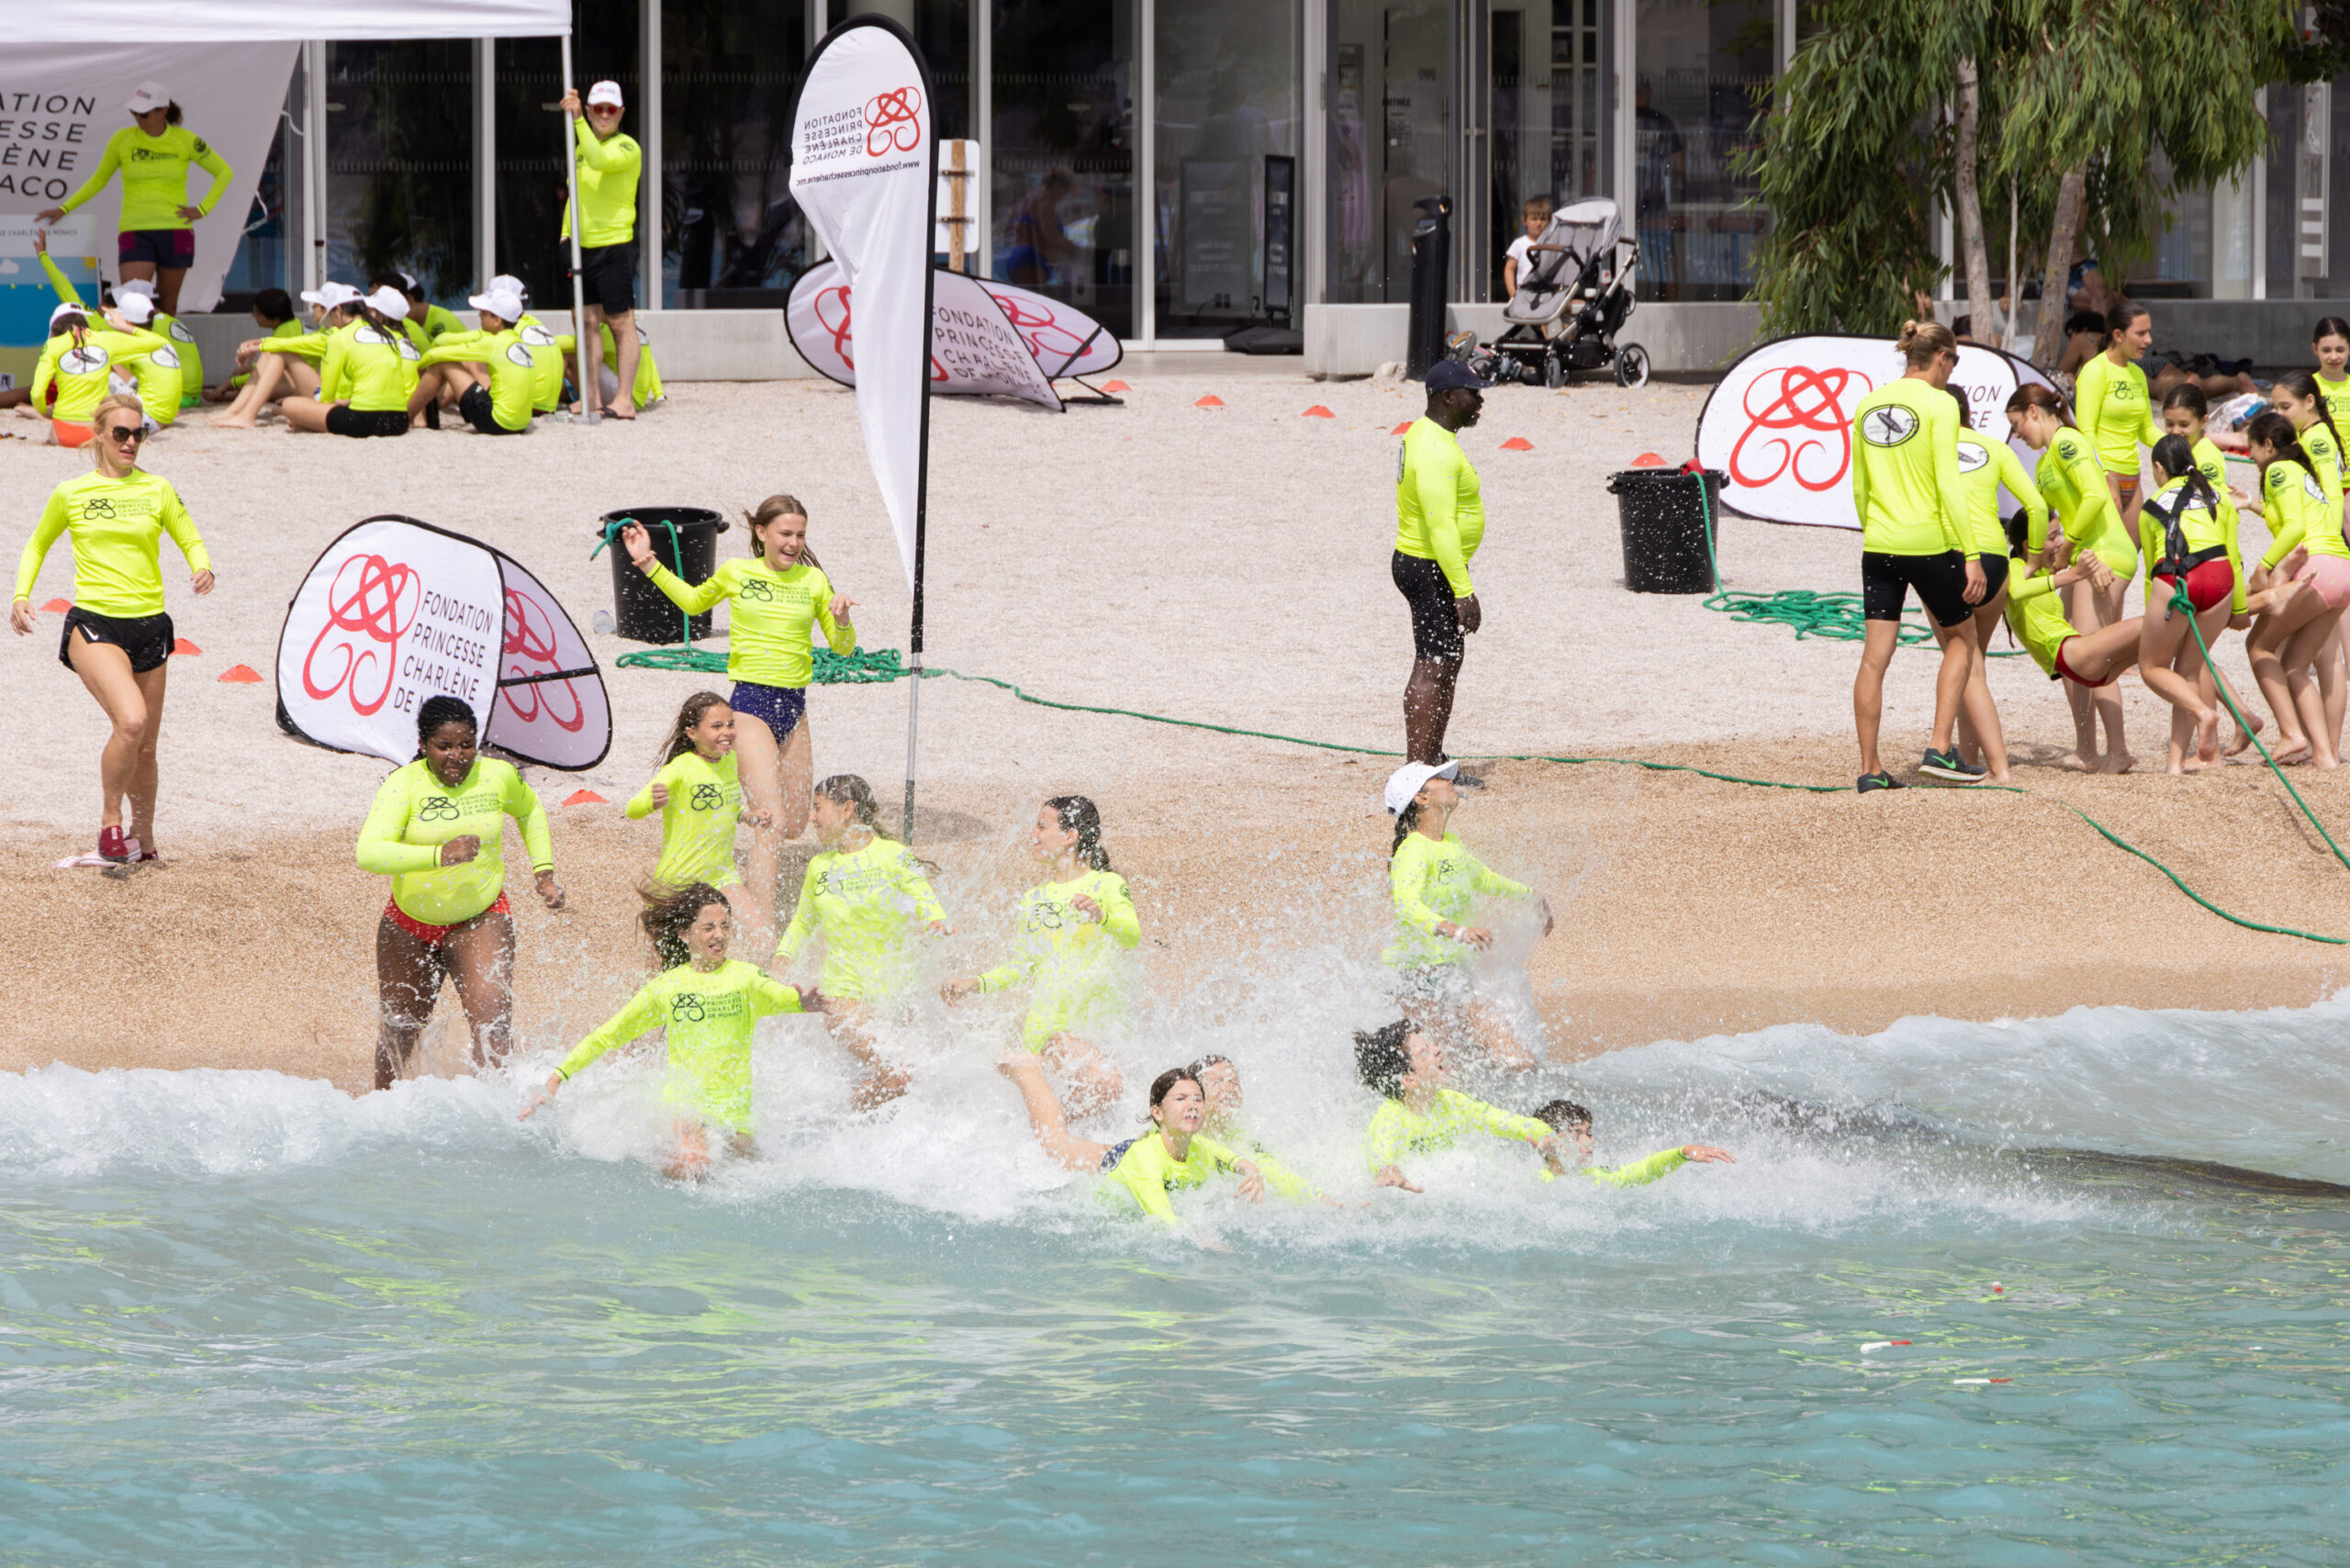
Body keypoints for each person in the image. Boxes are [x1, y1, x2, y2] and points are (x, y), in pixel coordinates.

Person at [621, 496, 857, 913]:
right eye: (785, 534)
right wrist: (647, 564)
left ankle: (728, 876)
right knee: (772, 824)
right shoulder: (737, 572)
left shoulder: (813, 581)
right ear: (762, 533)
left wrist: (842, 621)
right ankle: (758, 931)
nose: (793, 542)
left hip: (794, 708)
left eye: (800, 535)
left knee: (798, 823)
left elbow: (842, 649)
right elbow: (694, 602)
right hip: (751, 705)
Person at [9, 393, 212, 864]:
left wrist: (203, 567)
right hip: (95, 623)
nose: (130, 442)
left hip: (151, 624)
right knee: (131, 720)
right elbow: (37, 545)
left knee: (146, 745)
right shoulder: (72, 492)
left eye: (137, 433)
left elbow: (189, 535)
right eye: (120, 433)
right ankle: (110, 825)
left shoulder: (157, 488)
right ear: (99, 435)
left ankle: (144, 839)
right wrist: (22, 594)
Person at [521, 882, 818, 1182]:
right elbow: (610, 1034)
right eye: (709, 927)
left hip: (736, 1115)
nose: (719, 935)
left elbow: (783, 997)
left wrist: (804, 1002)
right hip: (687, 1107)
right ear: (685, 934)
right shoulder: (667, 987)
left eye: (725, 926)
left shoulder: (747, 979)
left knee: (751, 1174)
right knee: (694, 1164)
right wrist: (559, 1076)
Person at [357, 696, 565, 1092]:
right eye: (444, 746)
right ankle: (382, 1118)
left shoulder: (498, 776)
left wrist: (543, 871)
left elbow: (530, 810)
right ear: (423, 745)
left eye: (466, 745)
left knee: (494, 1027)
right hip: (409, 925)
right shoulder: (404, 784)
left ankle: (498, 1121)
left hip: (481, 918)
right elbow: (369, 853)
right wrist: (440, 854)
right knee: (399, 1033)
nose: (457, 756)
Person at [1849, 318, 1987, 791]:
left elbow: (1860, 488)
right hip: (1927, 544)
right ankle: (1939, 748)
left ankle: (1870, 770)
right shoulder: (1941, 403)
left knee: (1873, 659)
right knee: (1961, 641)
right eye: (1955, 361)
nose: (1953, 371)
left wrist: (1879, 534)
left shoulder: (1868, 404)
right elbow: (1949, 483)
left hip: (1879, 545)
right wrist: (1971, 554)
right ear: (1943, 357)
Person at [945, 796, 1137, 1115]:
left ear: (1070, 836)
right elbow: (1022, 966)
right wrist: (973, 984)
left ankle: (1044, 1127)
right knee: (1105, 1083)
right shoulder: (1034, 898)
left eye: (1041, 826)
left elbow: (1132, 934)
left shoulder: (1107, 884)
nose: (1032, 835)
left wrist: (1101, 916)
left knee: (1100, 1111)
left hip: (1104, 1026)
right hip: (1053, 1024)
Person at [772, 774, 948, 1111]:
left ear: (848, 809)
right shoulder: (819, 867)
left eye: (818, 808)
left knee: (905, 1085)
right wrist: (781, 959)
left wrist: (935, 920)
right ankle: (852, 1116)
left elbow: (923, 896)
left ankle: (853, 1116)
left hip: (896, 994)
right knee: (899, 1071)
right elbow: (802, 922)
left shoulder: (893, 855)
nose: (811, 818)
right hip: (842, 994)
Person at [1001, 1064, 1314, 1248]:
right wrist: (1200, 1239)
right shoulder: (1144, 1160)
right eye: (1180, 1099)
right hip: (1121, 1158)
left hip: (1156, 1145)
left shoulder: (1200, 1144)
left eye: (1197, 1099)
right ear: (1157, 1112)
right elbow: (1161, 1215)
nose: (1192, 1105)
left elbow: (1233, 1159)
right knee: (1054, 1141)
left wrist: (1251, 1172)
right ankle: (1025, 1071)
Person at [1382, 759, 1550, 1070]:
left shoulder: (1451, 844)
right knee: (1493, 1059)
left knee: (1472, 1062)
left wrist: (1531, 897)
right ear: (1422, 798)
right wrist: (1454, 930)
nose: (1450, 782)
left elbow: (1483, 879)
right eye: (1439, 780)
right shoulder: (1413, 849)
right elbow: (1406, 905)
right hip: (1419, 972)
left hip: (1450, 969)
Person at [2011, 382, 2137, 772]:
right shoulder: (2046, 459)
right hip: (2085, 553)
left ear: (2034, 411)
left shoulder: (2068, 442)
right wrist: (2037, 560)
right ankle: (2087, 747)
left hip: (2102, 553)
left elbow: (2095, 497)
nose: (2017, 434)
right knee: (2073, 657)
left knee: (2096, 656)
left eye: (2018, 425)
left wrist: (2068, 548)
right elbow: (2047, 517)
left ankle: (2117, 751)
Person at [36, 84, 231, 319]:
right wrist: (64, 208)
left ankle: (164, 355)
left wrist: (202, 209)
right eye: (134, 113)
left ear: (163, 111)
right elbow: (98, 180)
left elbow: (223, 172)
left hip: (175, 231)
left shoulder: (185, 140)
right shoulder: (122, 139)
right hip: (135, 230)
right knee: (132, 304)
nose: (138, 118)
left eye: (144, 114)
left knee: (168, 308)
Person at [1394, 359, 1495, 767]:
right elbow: (1441, 527)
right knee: (1434, 663)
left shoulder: (1424, 433)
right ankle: (1419, 774)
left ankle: (1431, 761)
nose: (1481, 399)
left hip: (1430, 564)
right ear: (1449, 397)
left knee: (1446, 659)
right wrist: (1464, 591)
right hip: (1428, 565)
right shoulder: (1434, 450)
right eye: (1474, 392)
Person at [2244, 411, 2349, 767]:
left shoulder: (2277, 471)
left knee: (2258, 646)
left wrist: (2264, 567)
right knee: (2294, 665)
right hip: (2341, 570)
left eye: (2252, 449)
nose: (2251, 456)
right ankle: (2324, 756)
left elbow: (2293, 528)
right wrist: (2251, 505)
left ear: (2268, 445)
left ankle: (2291, 733)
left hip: (2316, 568)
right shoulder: (2301, 471)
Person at [1354, 1020, 1563, 1193]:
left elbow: (1510, 1122)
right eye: (1424, 1052)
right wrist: (1388, 1170)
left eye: (1431, 1045)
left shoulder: (1451, 1102)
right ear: (1409, 1079)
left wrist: (1547, 1136)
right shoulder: (1391, 1117)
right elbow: (1380, 1150)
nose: (1437, 1050)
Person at [1947, 386, 2036, 783]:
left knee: (1968, 666)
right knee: (1971, 665)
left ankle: (2000, 769)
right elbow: (2034, 505)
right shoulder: (1994, 447)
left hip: (1954, 558)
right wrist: (2032, 561)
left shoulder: (1929, 450)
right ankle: (1970, 759)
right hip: (1997, 561)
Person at [2135, 435, 2238, 770]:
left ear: (2159, 468)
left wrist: (2156, 621)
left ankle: (2203, 713)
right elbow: (2233, 555)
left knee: (2152, 668)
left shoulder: (2151, 504)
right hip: (2221, 577)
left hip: (2179, 579)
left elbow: (2154, 570)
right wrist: (2237, 610)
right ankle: (2174, 763)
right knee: (2189, 670)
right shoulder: (2217, 496)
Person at [556, 80, 644, 420]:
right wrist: (565, 233)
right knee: (586, 321)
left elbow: (598, 160)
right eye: (598, 109)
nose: (604, 115)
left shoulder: (627, 147)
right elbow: (574, 192)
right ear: (592, 111)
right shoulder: (581, 146)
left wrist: (578, 120)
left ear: (621, 113)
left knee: (621, 323)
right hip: (581, 248)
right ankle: (591, 396)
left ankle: (624, 400)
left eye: (611, 109)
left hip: (614, 247)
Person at [627, 690, 758, 898]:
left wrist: (745, 815)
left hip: (723, 875)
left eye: (730, 724)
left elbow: (722, 803)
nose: (728, 732)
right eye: (717, 726)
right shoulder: (681, 767)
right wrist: (651, 802)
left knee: (757, 930)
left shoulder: (730, 760)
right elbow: (632, 809)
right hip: (681, 880)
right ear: (692, 733)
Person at [2000, 515, 2139, 700]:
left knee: (2163, 634)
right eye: (2052, 538)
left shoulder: (2041, 570)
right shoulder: (2015, 566)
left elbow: (2071, 557)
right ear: (2027, 545)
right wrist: (2073, 575)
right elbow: (2017, 591)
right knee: (2148, 624)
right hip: (2074, 656)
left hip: (2079, 663)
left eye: (2059, 535)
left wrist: (2095, 564)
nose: (2060, 543)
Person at [271, 285, 417, 438]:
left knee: (290, 405)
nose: (332, 321)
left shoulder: (338, 337)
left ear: (339, 310)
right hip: (399, 421)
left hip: (362, 420)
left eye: (332, 315)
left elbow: (326, 397)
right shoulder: (388, 335)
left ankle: (309, 422)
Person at [213, 283, 361, 428]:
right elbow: (294, 342)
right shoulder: (329, 331)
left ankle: (245, 414)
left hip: (332, 397)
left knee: (279, 354)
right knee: (274, 355)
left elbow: (289, 344)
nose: (312, 308)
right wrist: (260, 344)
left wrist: (257, 347)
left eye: (315, 304)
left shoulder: (335, 334)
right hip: (327, 391)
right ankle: (237, 411)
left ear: (330, 310)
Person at [27, 298, 167, 448]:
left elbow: (36, 394)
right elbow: (158, 342)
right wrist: (123, 326)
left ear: (55, 329)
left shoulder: (53, 345)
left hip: (63, 434)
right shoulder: (104, 340)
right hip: (97, 434)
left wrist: (43, 411)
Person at [2073, 301, 2161, 535]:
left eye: (2149, 332)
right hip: (2104, 476)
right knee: (2108, 561)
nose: (2149, 340)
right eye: (2141, 333)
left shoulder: (2137, 374)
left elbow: (2147, 430)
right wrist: (2103, 476)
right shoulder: (2095, 370)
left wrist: (2183, 445)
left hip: (2133, 476)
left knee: (2129, 560)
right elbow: (2086, 431)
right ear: (2118, 335)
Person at [410, 286, 541, 436]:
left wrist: (420, 366)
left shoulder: (493, 343)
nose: (479, 315)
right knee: (470, 362)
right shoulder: (518, 341)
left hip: (497, 422)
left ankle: (408, 415)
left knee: (442, 363)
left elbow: (437, 355)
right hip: (521, 423)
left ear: (497, 320)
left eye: (484, 313)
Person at [1531, 1100, 1736, 1185]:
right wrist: (1552, 1158)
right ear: (1550, 1140)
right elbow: (1556, 1186)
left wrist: (1681, 1152)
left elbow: (1642, 1171)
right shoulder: (1532, 1181)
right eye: (1576, 1134)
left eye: (1589, 1133)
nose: (1589, 1142)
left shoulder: (1592, 1176)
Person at [207, 287, 299, 400]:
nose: (253, 315)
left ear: (275, 319)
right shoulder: (291, 324)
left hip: (297, 382)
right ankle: (229, 392)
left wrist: (231, 383)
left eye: (258, 314)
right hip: (290, 375)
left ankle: (229, 396)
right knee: (241, 371)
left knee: (254, 390)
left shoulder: (284, 332)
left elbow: (270, 370)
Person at [1501, 196, 1553, 297]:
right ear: (1524, 221)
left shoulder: (1552, 244)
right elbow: (1509, 269)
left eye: (1543, 219)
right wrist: (1512, 292)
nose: (1539, 223)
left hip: (1547, 294)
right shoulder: (1519, 244)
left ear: (1549, 222)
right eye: (1534, 219)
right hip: (1524, 293)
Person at [2315, 317, 2350, 429]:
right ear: (2315, 349)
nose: (2334, 357)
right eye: (2326, 350)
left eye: (2340, 350)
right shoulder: (2305, 386)